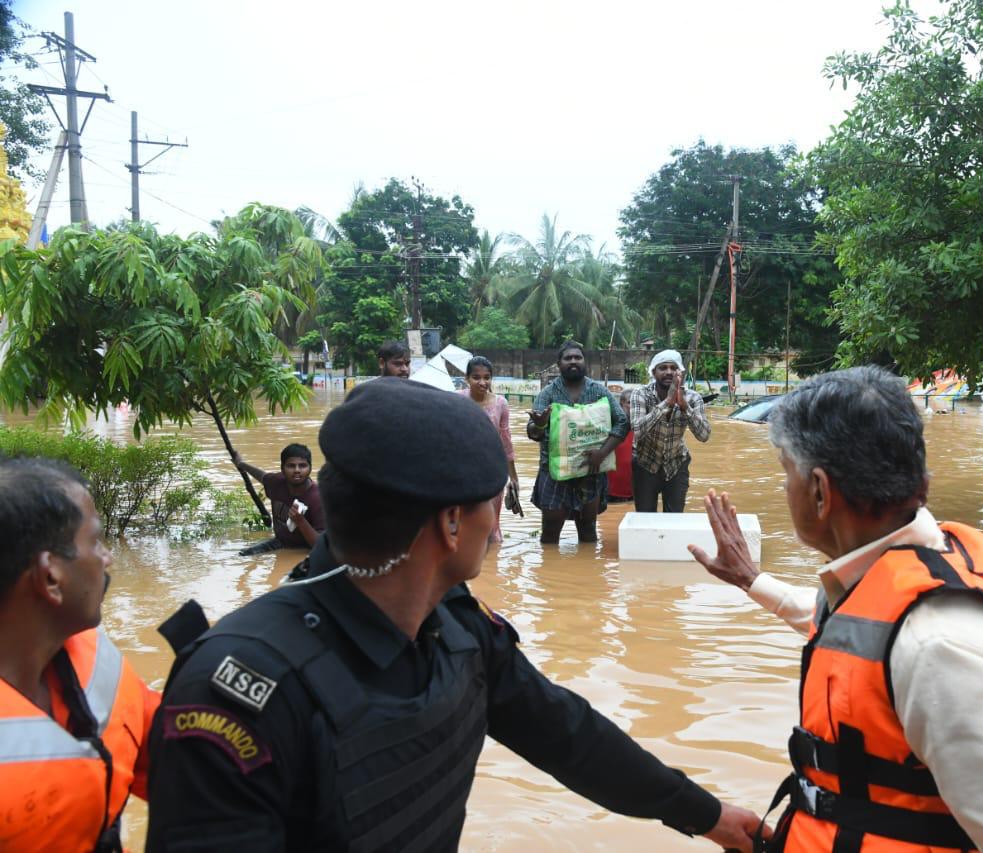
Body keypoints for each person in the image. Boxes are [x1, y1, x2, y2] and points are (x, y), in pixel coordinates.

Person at [145, 377, 762, 851]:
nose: (497, 526)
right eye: (489, 505)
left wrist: (707, 816)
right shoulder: (237, 689)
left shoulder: (456, 626)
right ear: (449, 522)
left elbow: (567, 734)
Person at [689, 366, 983, 852]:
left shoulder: (943, 646)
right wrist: (753, 581)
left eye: (784, 470)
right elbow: (855, 638)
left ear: (819, 491)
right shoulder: (894, 577)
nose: (783, 487)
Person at [0, 457, 159, 853]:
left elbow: (191, 764)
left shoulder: (99, 667)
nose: (107, 559)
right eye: (95, 541)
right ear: (50, 576)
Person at [527, 340, 628, 544]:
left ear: (585, 362)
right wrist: (539, 425)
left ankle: (588, 573)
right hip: (554, 472)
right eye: (568, 358)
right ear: (559, 364)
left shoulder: (599, 392)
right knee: (549, 535)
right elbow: (532, 432)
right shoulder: (548, 394)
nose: (573, 361)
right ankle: (550, 575)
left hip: (591, 471)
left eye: (578, 357)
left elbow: (623, 422)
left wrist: (602, 453)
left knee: (589, 533)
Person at [629, 349, 710, 513]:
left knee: (674, 520)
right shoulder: (640, 394)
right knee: (645, 518)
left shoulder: (693, 398)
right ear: (653, 372)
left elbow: (704, 435)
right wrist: (667, 402)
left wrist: (684, 406)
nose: (668, 372)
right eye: (663, 368)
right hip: (645, 463)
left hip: (676, 464)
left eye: (673, 368)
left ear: (680, 373)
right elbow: (637, 430)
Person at [457, 355, 522, 543]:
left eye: (487, 377)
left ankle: (492, 566)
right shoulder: (457, 399)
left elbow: (506, 442)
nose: (482, 382)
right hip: (463, 473)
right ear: (467, 379)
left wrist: (514, 477)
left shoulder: (500, 403)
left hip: (492, 472)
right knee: (464, 525)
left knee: (491, 527)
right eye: (476, 377)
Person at [234, 443, 325, 555]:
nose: (297, 470)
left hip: (306, 550)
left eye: (302, 465)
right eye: (291, 466)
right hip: (280, 542)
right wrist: (240, 463)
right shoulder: (277, 482)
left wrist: (300, 521)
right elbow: (262, 476)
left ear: (310, 467)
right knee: (243, 555)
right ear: (282, 468)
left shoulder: (318, 498)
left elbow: (322, 546)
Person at [607, 389, 636, 502]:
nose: (634, 406)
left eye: (636, 403)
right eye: (630, 402)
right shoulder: (610, 425)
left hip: (634, 493)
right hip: (610, 493)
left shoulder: (643, 426)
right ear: (621, 405)